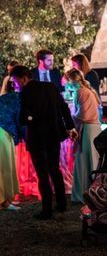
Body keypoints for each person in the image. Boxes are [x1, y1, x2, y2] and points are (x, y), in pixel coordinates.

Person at [10, 65, 78, 219]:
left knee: (42, 173)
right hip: (54, 134)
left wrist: (25, 119)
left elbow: (24, 117)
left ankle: (47, 209)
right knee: (55, 169)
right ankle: (61, 204)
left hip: (37, 137)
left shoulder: (25, 93)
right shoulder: (51, 87)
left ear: (23, 78)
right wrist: (70, 126)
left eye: (15, 81)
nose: (15, 85)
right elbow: (64, 108)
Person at [64, 69, 101, 204]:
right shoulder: (88, 91)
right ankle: (92, 192)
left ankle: (84, 193)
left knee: (84, 161)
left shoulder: (81, 92)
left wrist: (71, 117)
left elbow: (83, 114)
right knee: (90, 160)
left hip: (88, 129)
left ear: (71, 81)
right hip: (92, 128)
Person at [0, 90, 23, 211]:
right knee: (4, 168)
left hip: (4, 132)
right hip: (3, 132)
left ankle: (6, 199)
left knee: (5, 167)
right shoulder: (19, 99)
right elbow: (21, 121)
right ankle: (4, 201)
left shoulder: (5, 98)